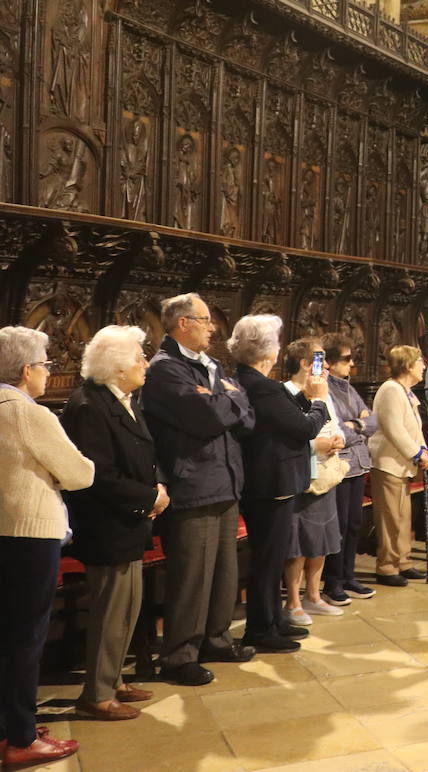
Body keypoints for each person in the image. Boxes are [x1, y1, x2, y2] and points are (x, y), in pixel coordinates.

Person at [142, 293, 257, 686]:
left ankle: (216, 637)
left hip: (224, 478)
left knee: (224, 570)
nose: (213, 327)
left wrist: (224, 400)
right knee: (192, 574)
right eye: (206, 320)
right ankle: (179, 655)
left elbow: (248, 415)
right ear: (183, 323)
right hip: (192, 481)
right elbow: (206, 418)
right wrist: (225, 401)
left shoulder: (210, 365)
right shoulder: (165, 370)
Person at [61, 326, 165, 721]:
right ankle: (97, 693)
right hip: (107, 524)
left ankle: (115, 679)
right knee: (110, 611)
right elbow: (98, 474)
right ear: (117, 367)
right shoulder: (89, 406)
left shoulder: (124, 399)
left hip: (131, 521)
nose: (145, 363)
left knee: (128, 607)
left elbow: (143, 453)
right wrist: (149, 497)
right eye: (139, 357)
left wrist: (157, 487)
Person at [0, 327, 93, 766]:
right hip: (30, 535)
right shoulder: (28, 413)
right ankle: (20, 738)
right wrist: (54, 475)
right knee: (25, 639)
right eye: (45, 365)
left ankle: (11, 725)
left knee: (8, 635)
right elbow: (80, 473)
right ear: (26, 370)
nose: (47, 372)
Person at [234, 320, 331, 652]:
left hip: (272, 482)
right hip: (270, 483)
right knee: (267, 559)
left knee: (273, 557)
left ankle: (274, 619)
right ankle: (261, 629)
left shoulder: (260, 385)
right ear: (267, 351)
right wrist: (319, 401)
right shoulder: (262, 387)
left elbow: (289, 416)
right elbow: (303, 429)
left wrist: (307, 397)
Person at [282, 337, 347, 627]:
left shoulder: (324, 392)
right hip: (300, 475)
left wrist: (337, 440)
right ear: (307, 364)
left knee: (320, 541)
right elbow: (288, 437)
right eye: (320, 360)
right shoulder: (286, 393)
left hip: (325, 475)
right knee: (297, 544)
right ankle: (293, 601)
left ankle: (314, 595)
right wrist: (315, 446)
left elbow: (335, 425)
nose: (327, 366)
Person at [369, 346, 428, 587]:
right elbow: (393, 428)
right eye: (420, 361)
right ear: (407, 365)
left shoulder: (405, 391)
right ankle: (387, 566)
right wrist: (417, 452)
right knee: (390, 518)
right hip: (388, 464)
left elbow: (414, 427)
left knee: (403, 516)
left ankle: (403, 561)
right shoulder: (390, 390)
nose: (423, 366)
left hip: (401, 465)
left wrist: (424, 450)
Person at [321, 333, 378, 607]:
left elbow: (373, 420)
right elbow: (336, 430)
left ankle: (348, 574)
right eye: (346, 359)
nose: (351, 364)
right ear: (329, 362)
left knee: (355, 524)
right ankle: (333, 581)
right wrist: (357, 425)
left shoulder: (348, 387)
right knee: (339, 525)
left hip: (358, 463)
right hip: (340, 465)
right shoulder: (324, 388)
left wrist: (354, 425)